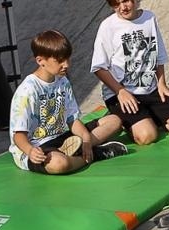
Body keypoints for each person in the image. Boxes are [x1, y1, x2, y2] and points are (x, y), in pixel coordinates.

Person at [88, 0, 169, 147]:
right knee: (147, 136)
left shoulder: (149, 18)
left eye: (126, 0)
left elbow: (158, 55)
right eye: (116, 4)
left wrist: (162, 84)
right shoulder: (108, 26)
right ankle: (122, 119)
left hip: (149, 89)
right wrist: (120, 91)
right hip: (121, 93)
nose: (123, 7)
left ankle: (150, 116)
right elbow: (98, 67)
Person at [8, 30, 125, 175]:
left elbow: (72, 120)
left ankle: (79, 150)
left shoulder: (63, 81)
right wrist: (31, 151)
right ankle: (95, 154)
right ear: (40, 61)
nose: (66, 65)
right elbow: (18, 135)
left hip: (63, 138)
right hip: (37, 147)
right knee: (58, 164)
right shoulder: (27, 91)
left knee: (114, 120)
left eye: (68, 59)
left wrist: (86, 138)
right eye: (60, 60)